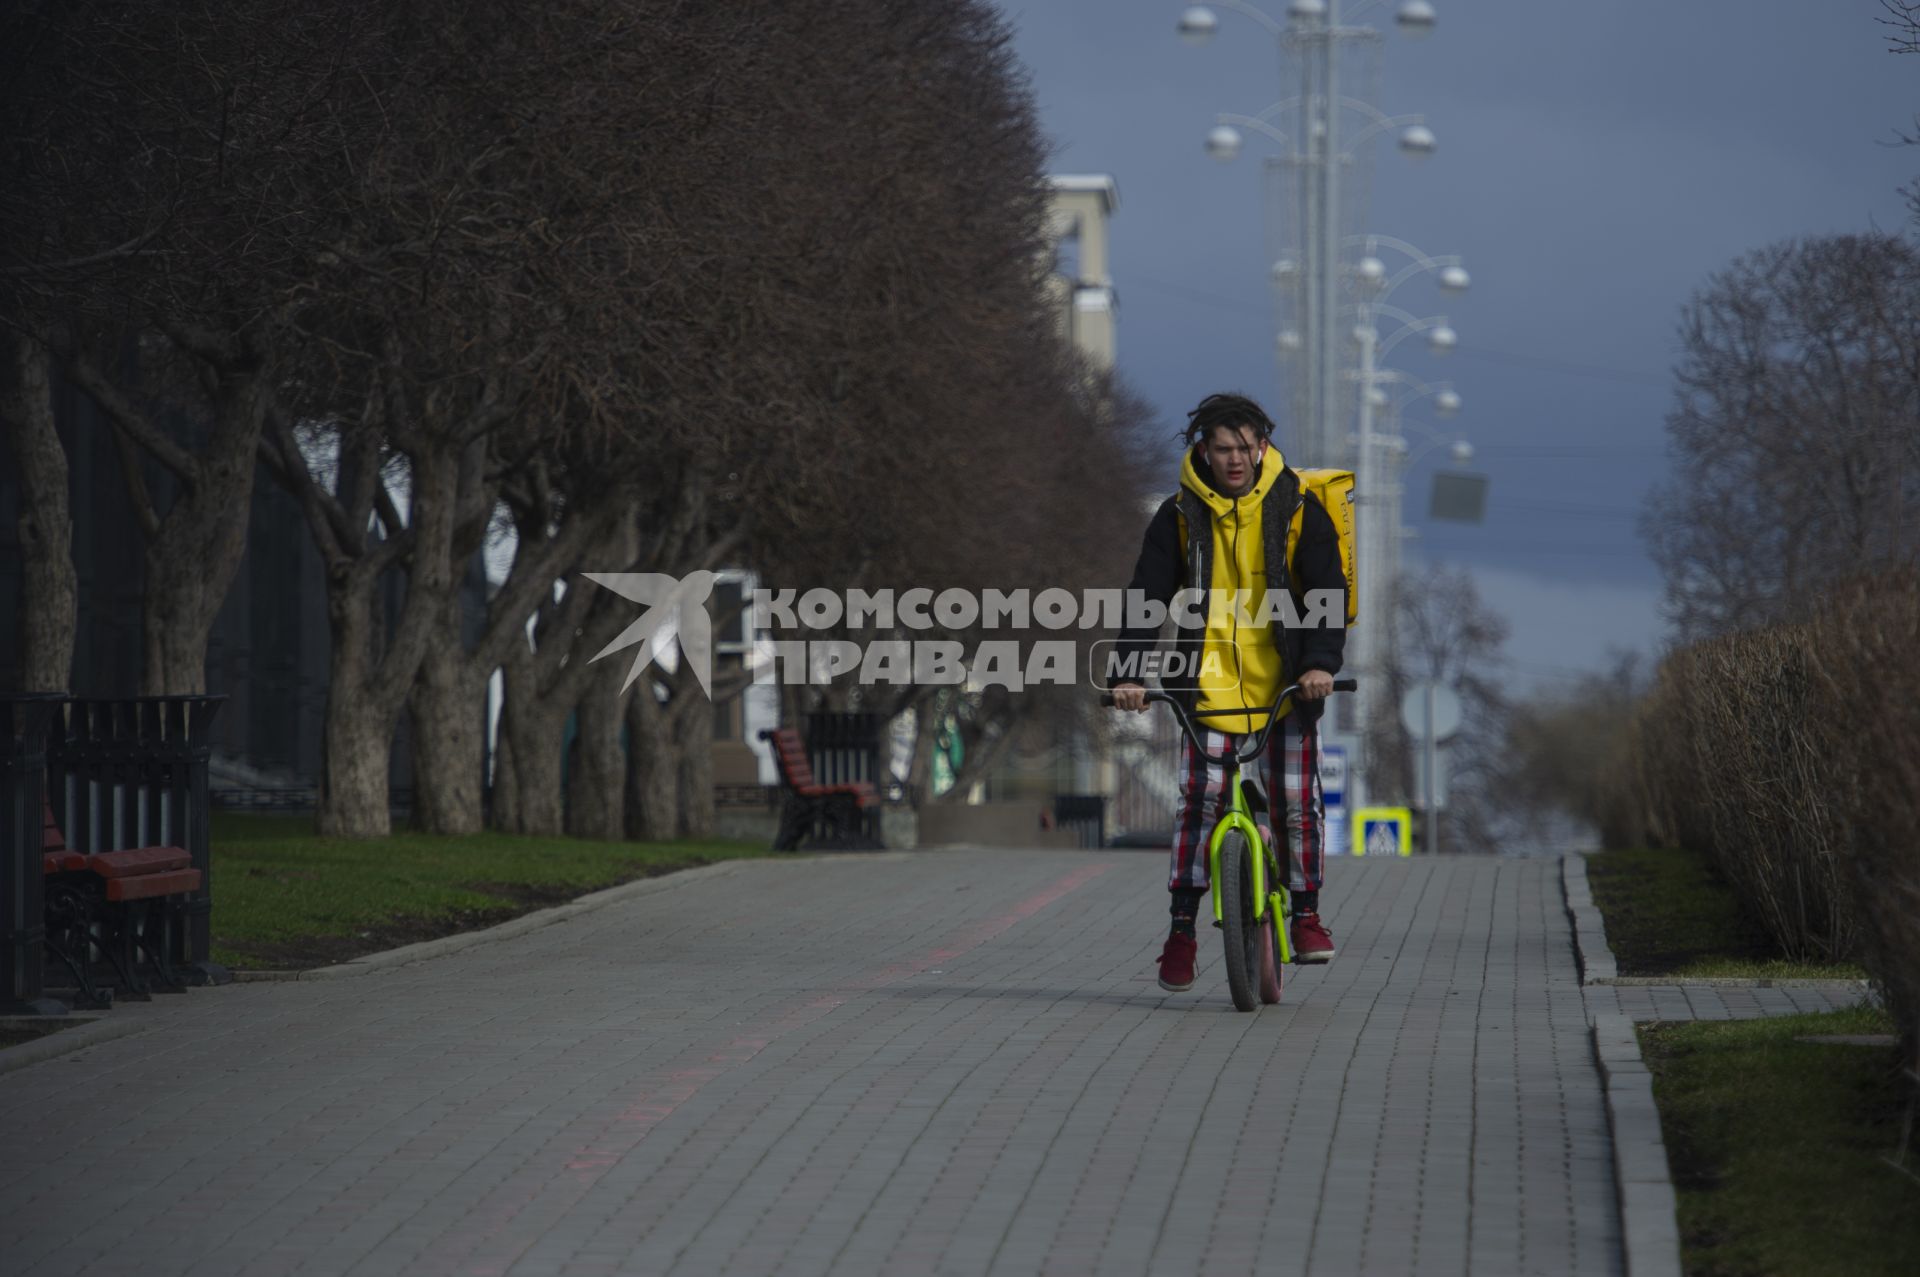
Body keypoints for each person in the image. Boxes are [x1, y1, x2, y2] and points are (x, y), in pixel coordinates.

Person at [1110, 392, 1347, 993]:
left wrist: (1319, 665)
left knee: (1297, 802)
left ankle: (1307, 915)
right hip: (1207, 691)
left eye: (1246, 446)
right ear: (1203, 451)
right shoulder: (1180, 515)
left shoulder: (1297, 508)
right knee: (1199, 802)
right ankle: (1182, 932)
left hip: (1285, 691)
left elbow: (1327, 592)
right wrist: (1129, 673)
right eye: (1224, 448)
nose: (1236, 458)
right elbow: (1148, 597)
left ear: (1262, 445)